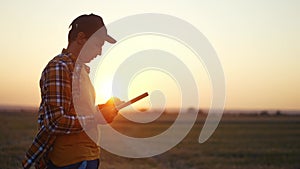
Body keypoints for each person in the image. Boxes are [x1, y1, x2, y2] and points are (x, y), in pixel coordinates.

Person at [22, 14, 121, 169]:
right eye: (98, 45)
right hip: (68, 161)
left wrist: (102, 109)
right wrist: (96, 118)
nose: (100, 52)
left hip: (88, 156)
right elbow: (55, 122)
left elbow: (78, 111)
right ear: (81, 38)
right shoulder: (59, 67)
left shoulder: (81, 71)